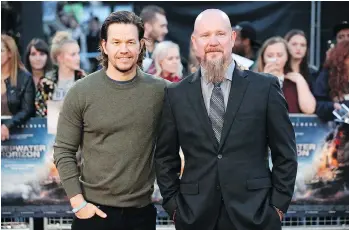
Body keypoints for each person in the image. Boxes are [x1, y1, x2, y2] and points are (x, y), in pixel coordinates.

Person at [155, 9, 297, 230]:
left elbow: (286, 154)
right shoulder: (176, 94)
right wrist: (174, 207)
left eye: (220, 34)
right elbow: (165, 158)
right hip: (195, 216)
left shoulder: (265, 88)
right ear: (194, 42)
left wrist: (277, 207)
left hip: (256, 215)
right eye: (205, 35)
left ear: (232, 38)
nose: (213, 42)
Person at [53, 11, 168, 230]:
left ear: (141, 45)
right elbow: (63, 150)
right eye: (116, 42)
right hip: (94, 213)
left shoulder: (161, 91)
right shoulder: (81, 92)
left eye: (130, 42)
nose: (124, 49)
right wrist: (78, 203)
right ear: (105, 46)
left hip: (141, 215)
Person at [256, 36, 316, 114]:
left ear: (287, 57)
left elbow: (309, 109)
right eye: (270, 56)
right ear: (263, 58)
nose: (275, 59)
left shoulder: (295, 80)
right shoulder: (255, 80)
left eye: (280, 55)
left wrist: (301, 82)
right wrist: (264, 81)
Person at [35, 31, 85, 117]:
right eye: (73, 54)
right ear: (60, 58)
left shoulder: (85, 81)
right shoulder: (46, 82)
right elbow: (39, 112)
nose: (78, 58)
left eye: (78, 53)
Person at [1, 34, 35, 141]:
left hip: (18, 137)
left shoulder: (24, 78)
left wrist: (7, 125)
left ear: (10, 53)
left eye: (1, 50)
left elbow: (27, 109)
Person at [314, 41, 349, 122]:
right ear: (342, 59)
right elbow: (318, 105)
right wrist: (332, 106)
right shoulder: (327, 76)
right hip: (334, 129)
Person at [139, 5, 168, 72]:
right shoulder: (133, 49)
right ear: (148, 27)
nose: (166, 31)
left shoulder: (165, 50)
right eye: (162, 26)